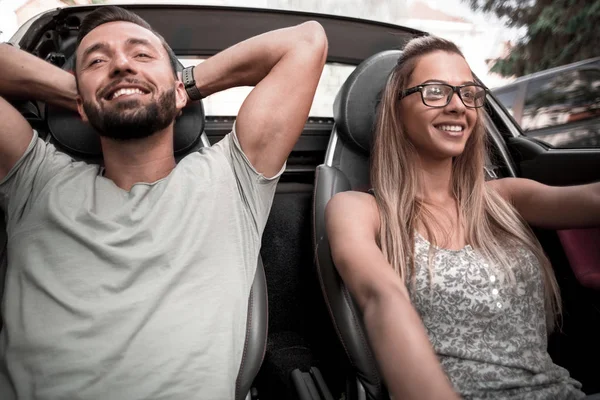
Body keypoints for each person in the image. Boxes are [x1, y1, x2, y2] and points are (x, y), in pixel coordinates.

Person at [0, 5, 327, 399]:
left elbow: (306, 41)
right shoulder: (34, 179)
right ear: (79, 108)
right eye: (98, 60)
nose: (121, 64)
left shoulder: (232, 178)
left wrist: (175, 86)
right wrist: (90, 91)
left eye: (141, 54)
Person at [326, 36, 600, 400]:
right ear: (395, 107)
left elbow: (592, 198)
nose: (458, 106)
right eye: (436, 91)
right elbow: (381, 298)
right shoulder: (357, 209)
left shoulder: (503, 197)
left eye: (468, 93)